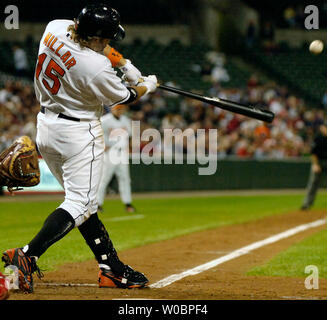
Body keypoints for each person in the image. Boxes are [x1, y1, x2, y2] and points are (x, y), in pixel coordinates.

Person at [1, 3, 158, 293]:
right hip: (79, 133)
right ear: (97, 38)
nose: (108, 44)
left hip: (46, 127)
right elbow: (125, 96)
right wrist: (147, 84)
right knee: (81, 203)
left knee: (79, 202)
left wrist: (122, 63)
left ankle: (111, 267)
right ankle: (26, 255)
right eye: (106, 39)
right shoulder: (95, 67)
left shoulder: (55, 27)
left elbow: (100, 52)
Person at [97, 104, 136, 213]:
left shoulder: (125, 120)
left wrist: (130, 146)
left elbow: (130, 135)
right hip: (110, 152)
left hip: (122, 152)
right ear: (112, 109)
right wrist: (101, 145)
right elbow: (96, 133)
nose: (119, 111)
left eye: (121, 109)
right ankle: (98, 204)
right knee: (104, 179)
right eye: (117, 109)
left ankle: (128, 203)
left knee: (125, 179)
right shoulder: (104, 120)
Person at [301, 122, 327, 210]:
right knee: (313, 183)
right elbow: (313, 153)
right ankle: (307, 204)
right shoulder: (318, 138)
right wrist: (315, 165)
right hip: (319, 161)